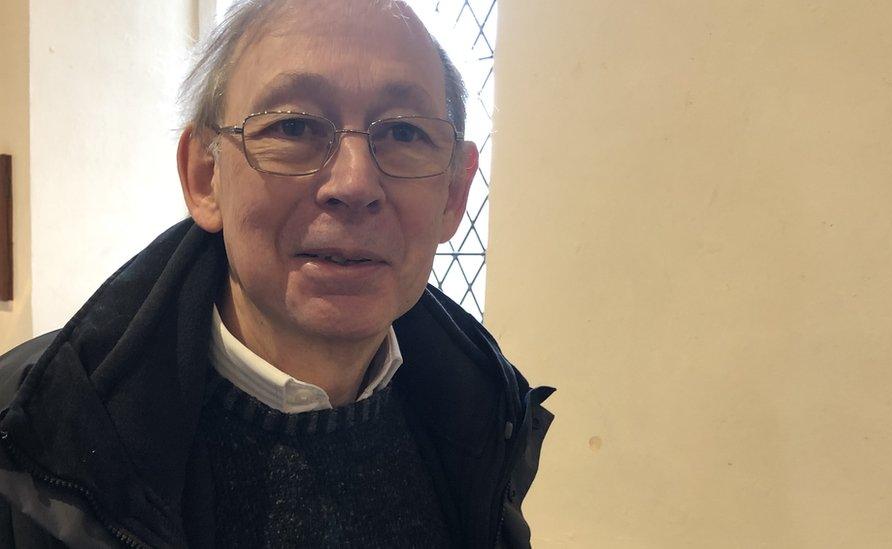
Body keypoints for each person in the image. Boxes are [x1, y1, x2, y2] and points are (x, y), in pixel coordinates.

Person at [0, 0, 554, 546]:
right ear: (204, 177)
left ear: (454, 193)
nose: (355, 184)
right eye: (293, 126)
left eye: (406, 133)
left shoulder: (487, 416)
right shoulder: (32, 444)